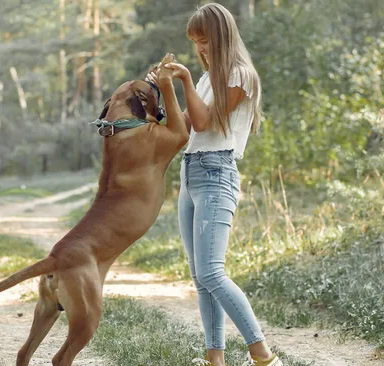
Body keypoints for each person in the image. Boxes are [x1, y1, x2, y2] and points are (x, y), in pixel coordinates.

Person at [146, 3, 282, 366]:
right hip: (191, 173)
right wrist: (162, 88)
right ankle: (215, 359)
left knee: (211, 271)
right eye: (195, 43)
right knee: (200, 276)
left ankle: (264, 356)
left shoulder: (241, 75)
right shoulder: (207, 79)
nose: (200, 49)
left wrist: (185, 80)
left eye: (204, 40)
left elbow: (205, 123)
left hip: (217, 173)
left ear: (222, 35)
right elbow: (185, 126)